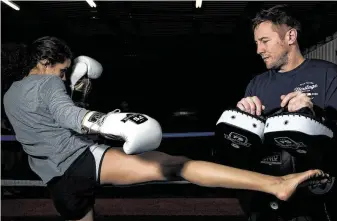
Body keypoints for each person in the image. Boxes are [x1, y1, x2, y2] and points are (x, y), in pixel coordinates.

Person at [2, 36, 328, 221]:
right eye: (61, 71)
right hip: (82, 163)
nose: (63, 78)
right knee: (178, 165)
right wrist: (103, 121)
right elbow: (69, 117)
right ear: (46, 63)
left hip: (56, 182)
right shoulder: (48, 84)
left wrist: (90, 119)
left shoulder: (10, 94)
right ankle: (276, 184)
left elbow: (47, 130)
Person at [235, 4, 337, 221]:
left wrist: (312, 113)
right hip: (265, 197)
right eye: (256, 43)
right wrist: (242, 119)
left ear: (290, 36)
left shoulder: (328, 74)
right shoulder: (257, 84)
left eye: (264, 41)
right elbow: (246, 150)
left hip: (315, 196)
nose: (258, 50)